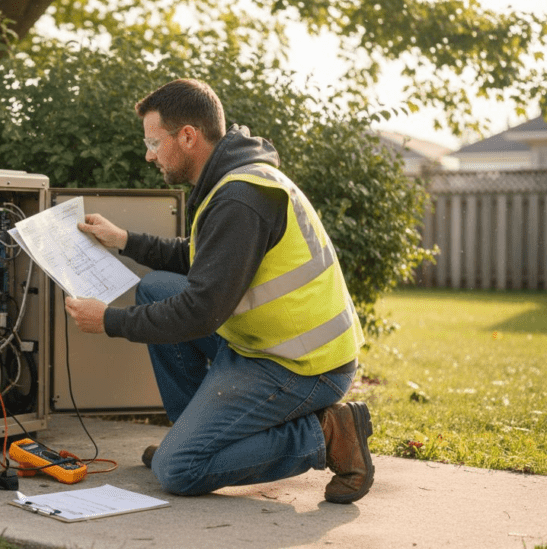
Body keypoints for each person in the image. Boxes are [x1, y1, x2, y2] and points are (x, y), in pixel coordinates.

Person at [63, 79, 374, 504]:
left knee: (177, 470)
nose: (148, 154)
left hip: (303, 367)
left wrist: (108, 320)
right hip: (264, 348)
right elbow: (201, 262)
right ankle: (198, 437)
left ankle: (327, 435)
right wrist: (125, 240)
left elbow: (200, 311)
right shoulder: (230, 180)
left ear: (188, 136)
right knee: (155, 289)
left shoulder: (241, 198)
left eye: (154, 142)